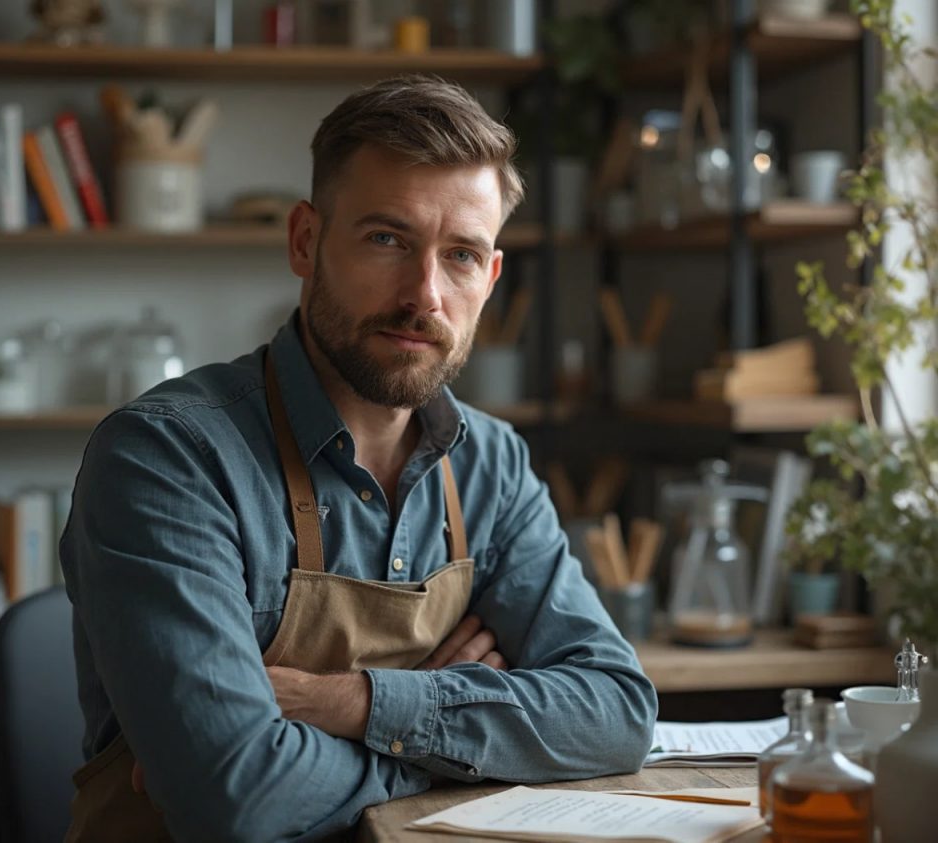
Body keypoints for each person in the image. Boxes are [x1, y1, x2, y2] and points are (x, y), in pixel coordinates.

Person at [61, 74, 657, 842]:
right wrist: (463, 735)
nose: (425, 295)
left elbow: (616, 714)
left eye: (462, 256)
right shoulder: (166, 460)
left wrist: (358, 703)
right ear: (305, 241)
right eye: (388, 239)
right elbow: (237, 798)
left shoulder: (493, 464)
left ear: (492, 277)